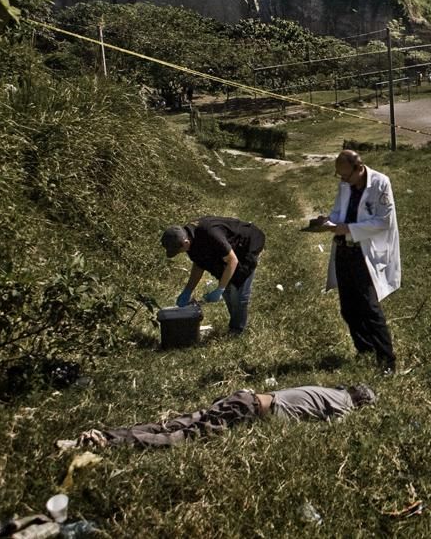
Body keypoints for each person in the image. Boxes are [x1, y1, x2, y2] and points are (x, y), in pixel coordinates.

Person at [56, 384, 376, 449]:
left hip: (242, 399)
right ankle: (105, 443)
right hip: (248, 409)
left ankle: (102, 435)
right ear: (358, 404)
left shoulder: (329, 392)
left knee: (176, 424)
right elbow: (330, 432)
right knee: (177, 438)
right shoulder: (342, 407)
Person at [308, 149, 401, 372]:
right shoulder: (346, 184)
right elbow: (339, 211)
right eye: (339, 176)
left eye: (345, 176)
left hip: (365, 251)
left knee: (369, 307)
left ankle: (387, 360)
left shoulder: (380, 183)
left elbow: (384, 221)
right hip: (344, 249)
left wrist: (347, 228)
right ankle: (364, 349)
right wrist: (328, 221)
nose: (342, 181)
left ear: (359, 168)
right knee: (348, 308)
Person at [161, 217, 265, 335]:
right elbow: (199, 264)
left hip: (246, 244)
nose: (180, 253)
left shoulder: (210, 234)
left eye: (178, 250)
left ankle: (237, 331)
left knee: (238, 292)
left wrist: (220, 289)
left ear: (186, 243)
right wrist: (187, 290)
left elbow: (232, 261)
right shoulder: (188, 238)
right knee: (228, 289)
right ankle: (236, 323)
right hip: (228, 250)